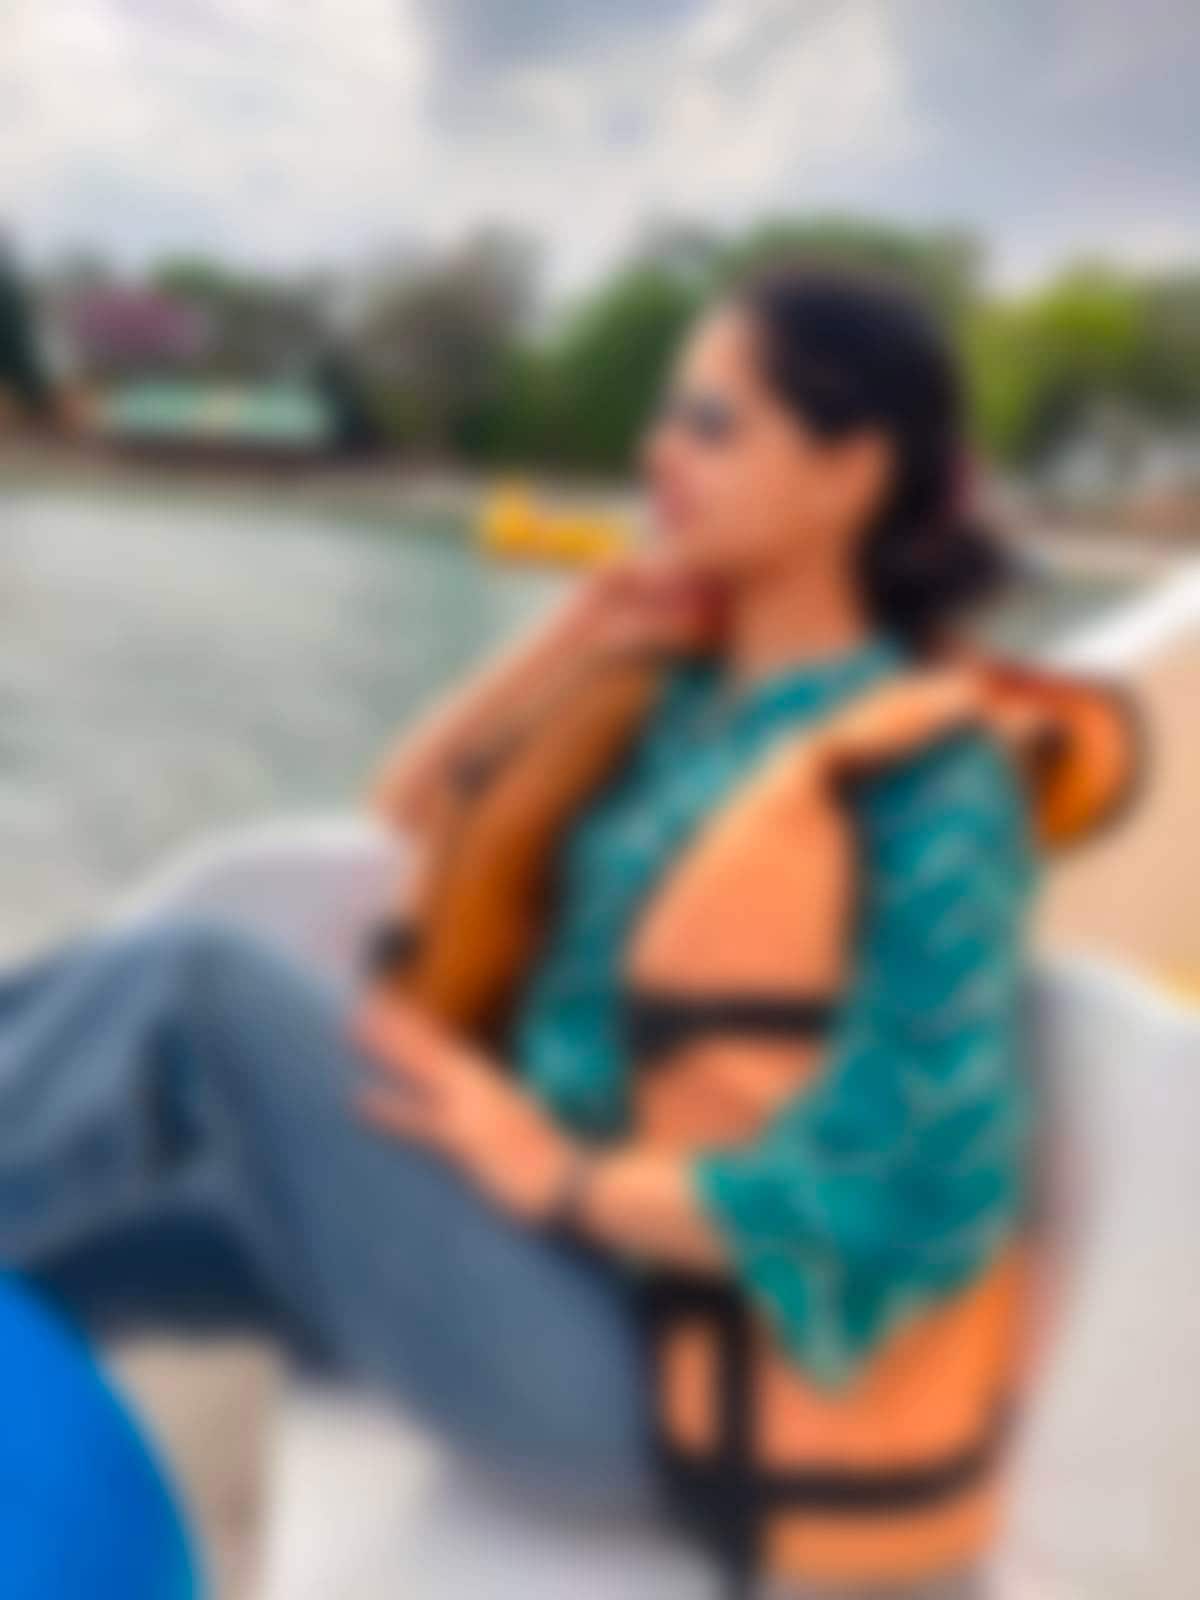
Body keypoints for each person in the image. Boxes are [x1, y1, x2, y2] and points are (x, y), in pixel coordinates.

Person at [2, 270, 1040, 1598]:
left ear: (850, 473)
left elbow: (932, 1191)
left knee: (198, 986)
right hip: (509, 1260)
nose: (657, 454)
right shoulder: (682, 704)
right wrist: (572, 636)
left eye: (711, 423)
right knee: (87, 1240)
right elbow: (405, 817)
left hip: (643, 1370)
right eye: (666, 417)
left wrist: (564, 1179)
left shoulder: (935, 783)